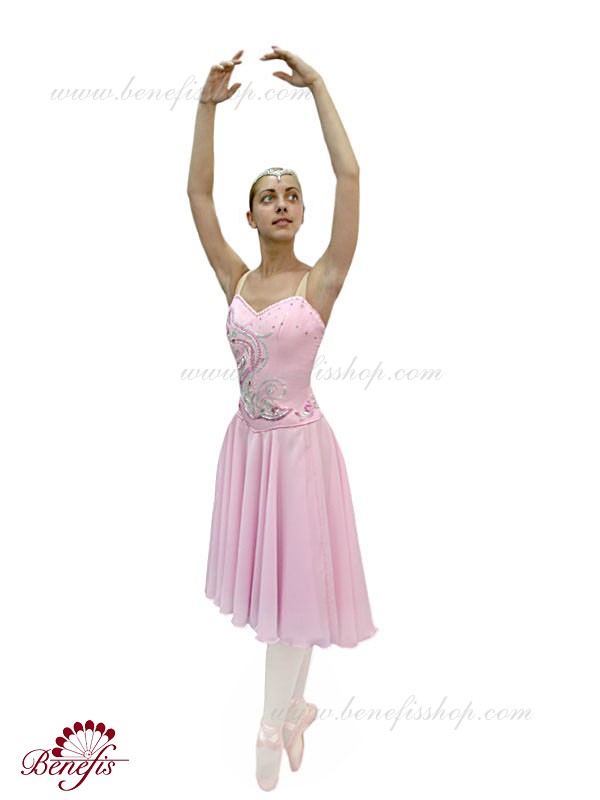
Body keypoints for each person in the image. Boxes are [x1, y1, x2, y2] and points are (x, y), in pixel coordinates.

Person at [187, 46, 378, 791]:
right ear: (252, 215)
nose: (282, 203)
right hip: (248, 447)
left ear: (303, 211)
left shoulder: (321, 280)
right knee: (277, 586)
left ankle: (272, 723)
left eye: (292, 195)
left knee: (297, 587)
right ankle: (293, 710)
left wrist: (319, 87)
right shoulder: (234, 278)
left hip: (299, 451)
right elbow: (197, 194)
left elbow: (351, 176)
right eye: (268, 196)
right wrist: (206, 107)